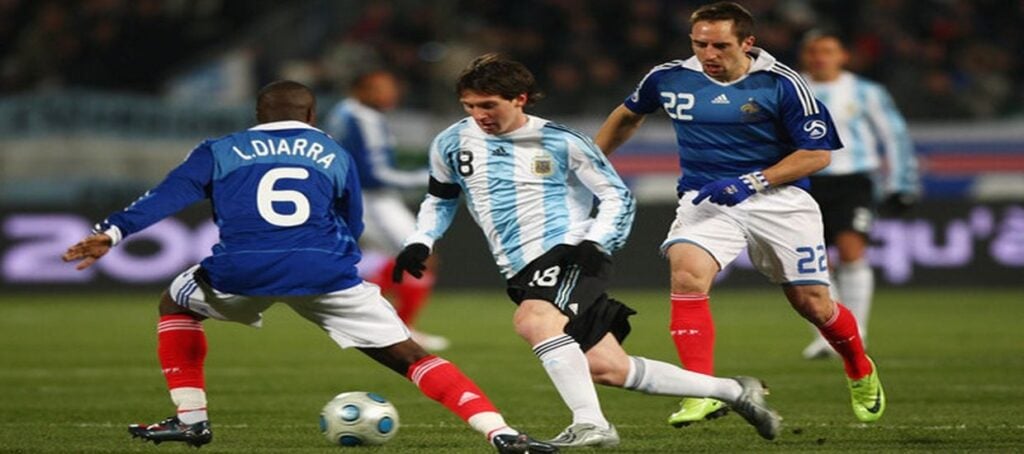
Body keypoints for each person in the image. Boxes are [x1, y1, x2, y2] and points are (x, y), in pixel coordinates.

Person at [61, 80, 556, 454]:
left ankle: (191, 420)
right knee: (411, 356)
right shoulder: (333, 152)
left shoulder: (220, 150)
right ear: (312, 115)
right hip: (325, 271)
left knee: (176, 302)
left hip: (242, 270)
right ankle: (501, 433)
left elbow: (166, 196)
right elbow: (353, 221)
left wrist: (111, 232)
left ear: (257, 116)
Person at [393, 53, 781, 448]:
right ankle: (735, 391)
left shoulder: (563, 142)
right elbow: (440, 198)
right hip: (519, 267)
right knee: (607, 367)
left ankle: (591, 423)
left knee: (534, 320)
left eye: (488, 105)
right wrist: (420, 239)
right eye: (470, 106)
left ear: (519, 99)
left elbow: (616, 196)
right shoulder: (451, 142)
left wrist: (597, 242)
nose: (479, 115)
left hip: (569, 251)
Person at [594, 1, 885, 427]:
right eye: (699, 44)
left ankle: (858, 366)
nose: (708, 54)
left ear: (748, 43)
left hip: (780, 201)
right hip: (706, 197)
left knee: (813, 304)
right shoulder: (668, 77)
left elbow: (817, 154)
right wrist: (593, 164)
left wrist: (752, 181)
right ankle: (701, 391)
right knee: (687, 274)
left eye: (720, 45)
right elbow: (627, 115)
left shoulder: (782, 83)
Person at [798, 30, 919, 359]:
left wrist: (901, 184)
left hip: (853, 180)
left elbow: (893, 136)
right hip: (804, 180)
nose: (819, 57)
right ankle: (828, 336)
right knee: (813, 262)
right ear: (804, 56)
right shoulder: (791, 89)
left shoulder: (866, 92)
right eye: (813, 51)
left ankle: (857, 333)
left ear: (843, 56)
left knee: (851, 251)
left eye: (827, 50)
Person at [323, 69, 449, 351]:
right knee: (421, 256)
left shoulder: (342, 113)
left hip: (355, 198)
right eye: (381, 87)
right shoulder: (363, 118)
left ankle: (372, 323)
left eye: (392, 86)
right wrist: (430, 178)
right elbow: (374, 174)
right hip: (372, 199)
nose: (391, 93)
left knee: (390, 261)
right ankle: (400, 329)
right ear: (361, 90)